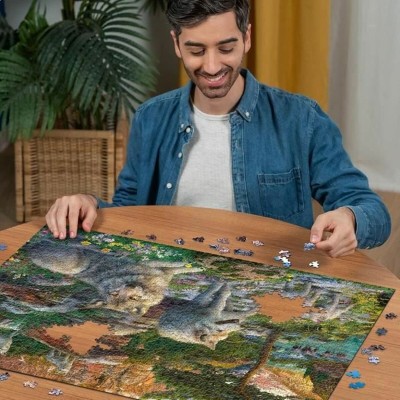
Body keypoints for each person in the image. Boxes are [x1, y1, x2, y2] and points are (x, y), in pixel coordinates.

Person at [46, 0, 391, 258]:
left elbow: (374, 212)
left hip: (268, 286)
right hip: (168, 283)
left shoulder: (301, 119)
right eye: (196, 50)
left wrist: (350, 218)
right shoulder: (150, 118)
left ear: (247, 37)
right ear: (176, 44)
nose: (212, 67)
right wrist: (89, 204)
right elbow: (129, 213)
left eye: (226, 48)